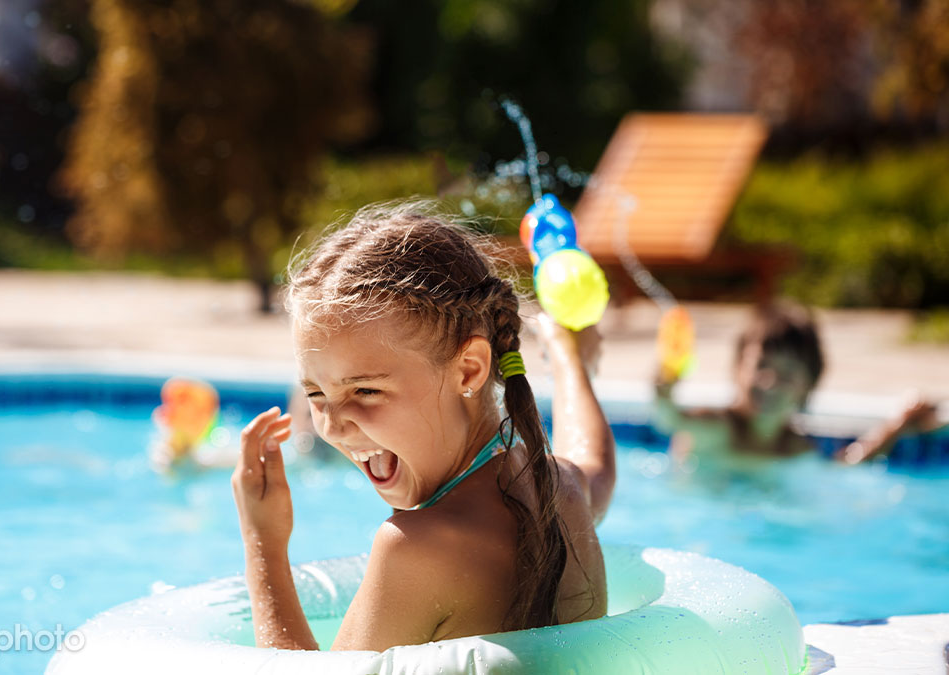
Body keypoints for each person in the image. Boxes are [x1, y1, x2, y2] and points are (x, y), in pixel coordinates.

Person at [230, 202, 616, 651]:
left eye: (365, 390)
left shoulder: (415, 549)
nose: (331, 428)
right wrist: (570, 357)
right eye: (316, 394)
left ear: (470, 370)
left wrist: (263, 543)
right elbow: (595, 466)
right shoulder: (558, 489)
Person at [653, 300, 942, 465]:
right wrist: (665, 387)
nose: (770, 382)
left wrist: (896, 425)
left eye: (788, 373)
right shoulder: (717, 427)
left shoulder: (794, 447)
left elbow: (842, 468)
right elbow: (669, 418)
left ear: (808, 385)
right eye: (761, 366)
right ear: (738, 366)